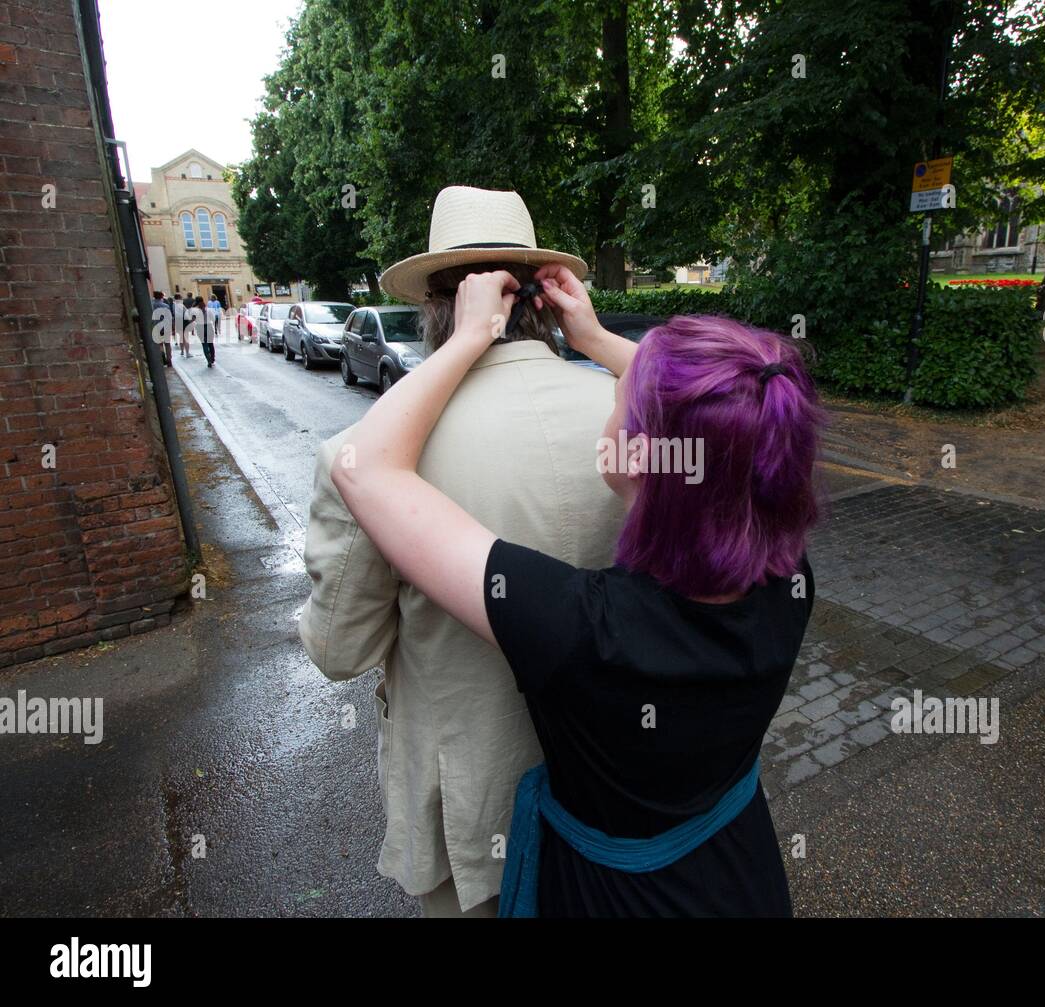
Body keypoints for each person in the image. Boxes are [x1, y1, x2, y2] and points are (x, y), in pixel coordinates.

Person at [329, 262, 823, 917]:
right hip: (738, 871)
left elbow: (363, 469)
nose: (610, 389)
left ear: (642, 456)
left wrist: (467, 336)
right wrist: (588, 337)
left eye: (621, 394)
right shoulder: (787, 577)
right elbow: (741, 412)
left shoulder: (581, 631)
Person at [299, 186, 624, 917]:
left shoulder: (369, 458)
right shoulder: (630, 410)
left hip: (475, 812)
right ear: (546, 299)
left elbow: (339, 649)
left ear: (440, 306)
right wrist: (598, 341)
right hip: (610, 787)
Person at [193, 295, 216, 367]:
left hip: (200, 327)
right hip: (209, 326)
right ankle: (212, 359)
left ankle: (208, 360)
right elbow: (213, 319)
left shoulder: (195, 310)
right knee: (211, 344)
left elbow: (193, 320)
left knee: (204, 344)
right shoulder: (209, 309)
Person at [151, 291, 172, 367]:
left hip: (156, 327)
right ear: (161, 297)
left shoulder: (151, 305)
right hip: (165, 326)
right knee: (167, 344)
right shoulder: (165, 306)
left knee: (159, 344)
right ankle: (169, 360)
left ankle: (162, 357)